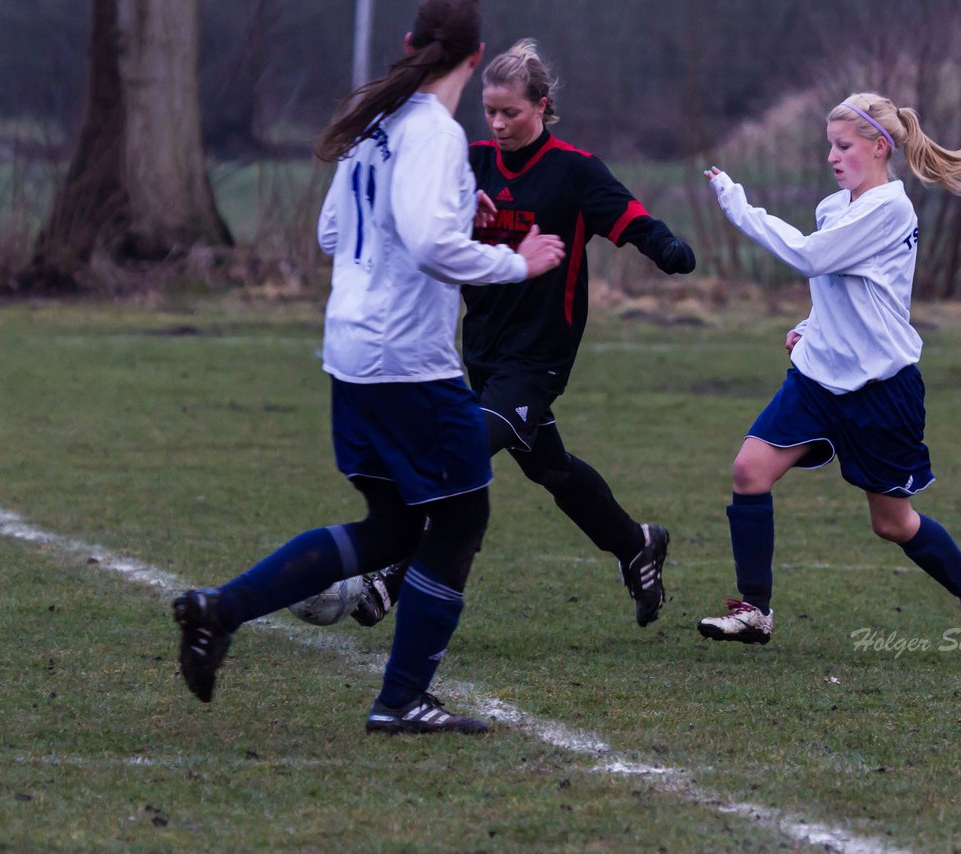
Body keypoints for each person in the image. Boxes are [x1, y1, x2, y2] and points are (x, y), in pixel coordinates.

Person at [170, 0, 565, 735]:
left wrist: (450, 210)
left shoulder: (377, 123)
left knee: (391, 527)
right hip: (406, 360)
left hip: (350, 352)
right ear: (474, 60)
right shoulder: (434, 133)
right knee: (461, 514)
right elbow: (423, 245)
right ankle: (402, 699)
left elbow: (331, 233)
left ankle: (217, 612)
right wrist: (518, 260)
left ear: (412, 45)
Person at [351, 39, 696, 631]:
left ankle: (394, 570)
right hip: (480, 349)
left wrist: (665, 247)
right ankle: (636, 543)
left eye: (511, 111)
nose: (499, 122)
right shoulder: (472, 161)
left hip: (539, 357)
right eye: (490, 111)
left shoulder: (574, 171)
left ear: (541, 106)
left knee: (461, 450)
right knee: (549, 468)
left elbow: (632, 217)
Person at [696, 92, 961, 660]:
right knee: (748, 471)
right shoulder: (833, 207)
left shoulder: (890, 209)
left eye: (843, 146)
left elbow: (812, 259)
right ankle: (754, 610)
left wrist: (741, 209)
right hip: (818, 380)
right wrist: (811, 325)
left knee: (892, 523)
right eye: (829, 147)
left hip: (881, 389)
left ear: (879, 147)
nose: (833, 157)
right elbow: (843, 287)